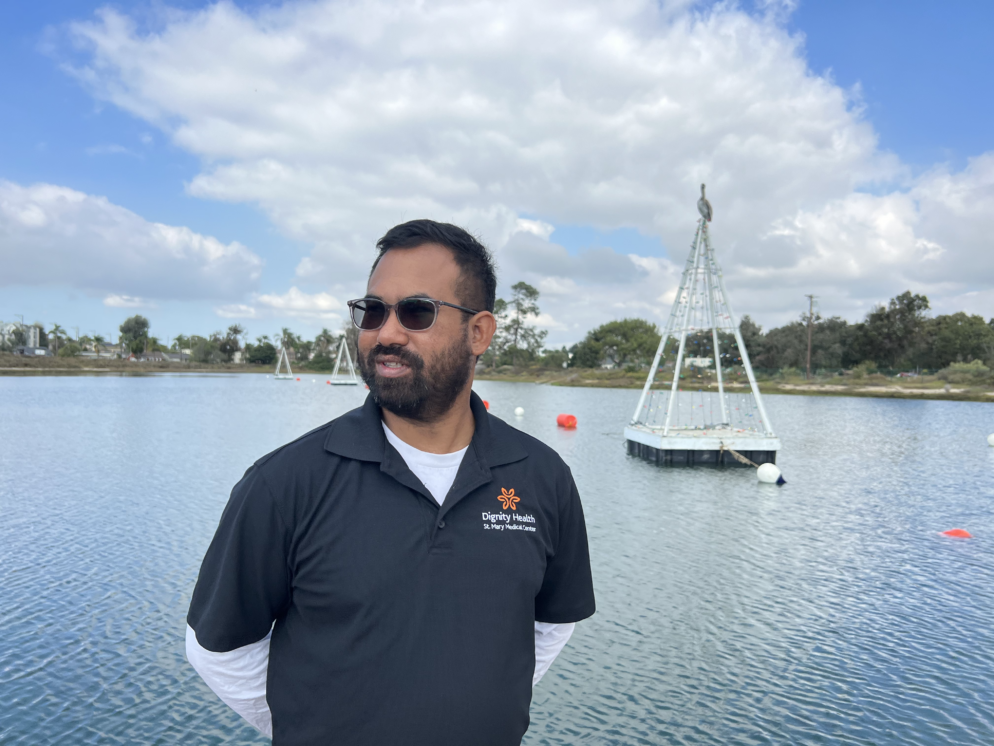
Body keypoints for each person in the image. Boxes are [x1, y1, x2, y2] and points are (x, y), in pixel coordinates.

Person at [186, 219, 596, 745]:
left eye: (416, 312)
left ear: (479, 333)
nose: (386, 333)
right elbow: (218, 648)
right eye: (372, 311)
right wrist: (313, 724)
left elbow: (552, 622)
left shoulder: (542, 478)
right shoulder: (283, 484)